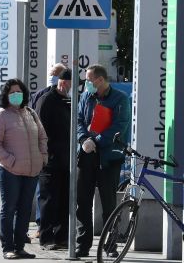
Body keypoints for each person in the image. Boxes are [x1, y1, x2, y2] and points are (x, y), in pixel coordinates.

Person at [0, 78, 48, 260]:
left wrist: (42, 158)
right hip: (9, 170)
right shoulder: (1, 115)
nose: (16, 95)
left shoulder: (30, 113)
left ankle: (19, 246)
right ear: (6, 96)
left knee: (24, 210)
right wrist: (10, 161)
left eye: (19, 91)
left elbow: (42, 137)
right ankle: (8, 247)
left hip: (31, 170)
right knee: (9, 208)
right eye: (12, 92)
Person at [75, 65, 130, 258]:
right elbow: (79, 120)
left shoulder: (120, 98)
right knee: (82, 201)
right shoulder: (86, 96)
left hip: (109, 157)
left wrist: (96, 141)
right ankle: (82, 244)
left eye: (89, 80)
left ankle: (110, 244)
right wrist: (83, 139)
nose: (86, 83)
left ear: (99, 80)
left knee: (108, 203)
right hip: (87, 155)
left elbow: (119, 126)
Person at [35, 68, 72, 250]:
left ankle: (61, 237)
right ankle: (46, 237)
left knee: (64, 199)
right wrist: (46, 153)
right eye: (71, 84)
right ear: (63, 82)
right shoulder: (47, 100)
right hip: (50, 159)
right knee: (49, 199)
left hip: (66, 160)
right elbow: (40, 129)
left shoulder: (67, 100)